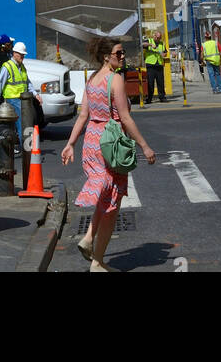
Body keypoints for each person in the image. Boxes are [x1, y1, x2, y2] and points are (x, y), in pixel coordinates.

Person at [61, 36, 155, 272]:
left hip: (92, 142)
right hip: (111, 143)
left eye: (123, 53)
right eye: (119, 53)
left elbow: (83, 115)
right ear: (106, 56)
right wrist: (144, 145)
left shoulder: (92, 79)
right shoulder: (116, 80)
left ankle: (92, 244)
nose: (123, 57)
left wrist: (71, 143)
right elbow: (124, 117)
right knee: (113, 203)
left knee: (105, 197)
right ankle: (97, 259)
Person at [0, 41, 42, 148]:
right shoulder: (7, 66)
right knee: (23, 125)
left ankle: (26, 150)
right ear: (14, 53)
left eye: (24, 55)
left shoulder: (22, 67)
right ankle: (27, 150)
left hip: (22, 100)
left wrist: (36, 94)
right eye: (21, 54)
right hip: (12, 100)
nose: (23, 57)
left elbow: (27, 82)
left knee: (25, 125)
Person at [144, 29, 168, 104]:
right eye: (157, 37)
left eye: (159, 37)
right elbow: (142, 44)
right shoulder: (150, 41)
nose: (158, 39)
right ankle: (149, 98)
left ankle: (162, 97)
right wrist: (150, 45)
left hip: (159, 65)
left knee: (160, 82)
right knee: (150, 83)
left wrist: (164, 55)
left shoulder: (161, 43)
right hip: (151, 65)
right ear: (154, 36)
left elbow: (165, 52)